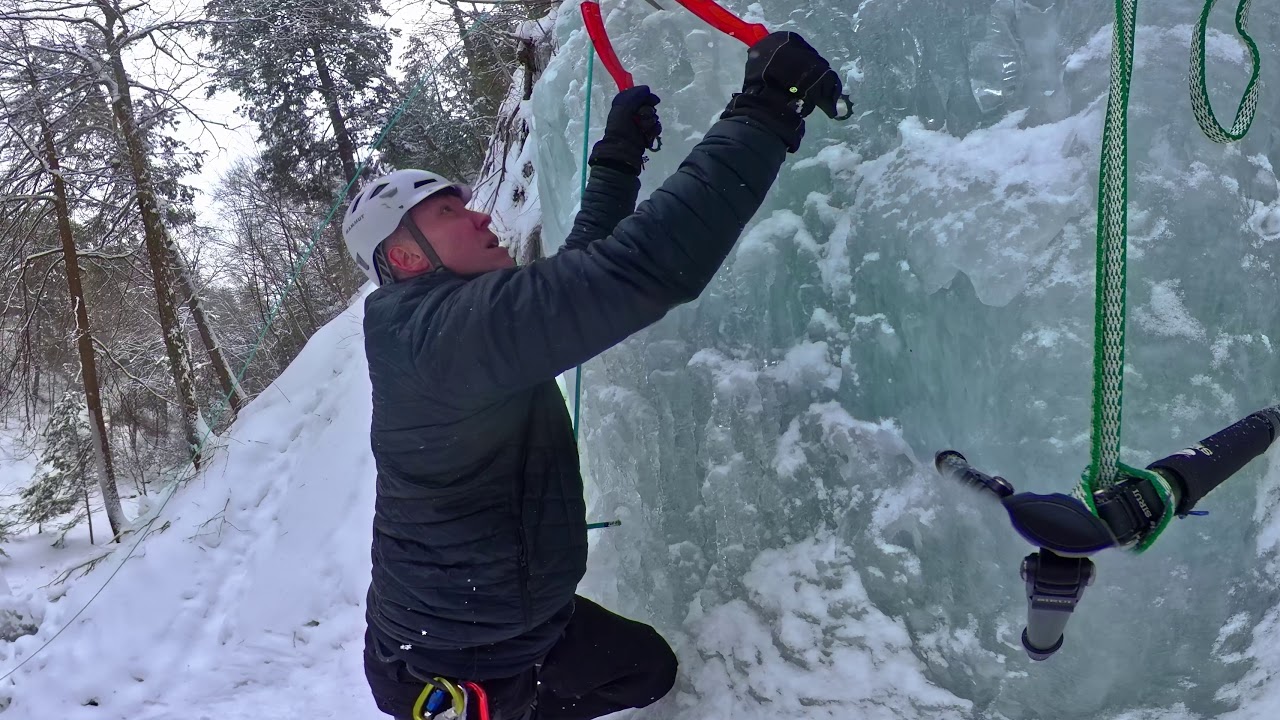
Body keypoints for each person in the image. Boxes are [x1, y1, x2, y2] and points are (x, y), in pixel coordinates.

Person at [343, 31, 845, 720]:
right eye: (448, 213)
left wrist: (618, 159)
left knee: (644, 671)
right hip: (456, 666)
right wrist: (765, 110)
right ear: (403, 260)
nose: (479, 213)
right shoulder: (440, 337)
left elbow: (574, 276)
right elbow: (625, 275)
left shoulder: (447, 326)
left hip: (509, 627)